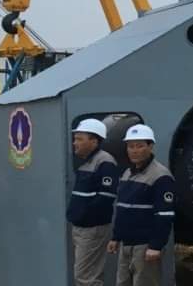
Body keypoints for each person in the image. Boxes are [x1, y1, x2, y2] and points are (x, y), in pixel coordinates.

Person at [107, 124, 175, 286]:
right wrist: (115, 237)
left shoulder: (161, 176)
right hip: (126, 244)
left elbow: (164, 215)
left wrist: (156, 246)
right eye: (130, 146)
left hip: (145, 246)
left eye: (139, 146)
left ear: (150, 147)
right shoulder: (127, 173)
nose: (134, 151)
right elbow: (122, 209)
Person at [67, 118, 120, 286]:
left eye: (79, 139)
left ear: (94, 141)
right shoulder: (86, 162)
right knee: (85, 275)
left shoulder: (105, 162)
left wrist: (84, 216)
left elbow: (105, 198)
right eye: (75, 139)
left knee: (86, 277)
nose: (75, 143)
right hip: (81, 227)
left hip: (91, 228)